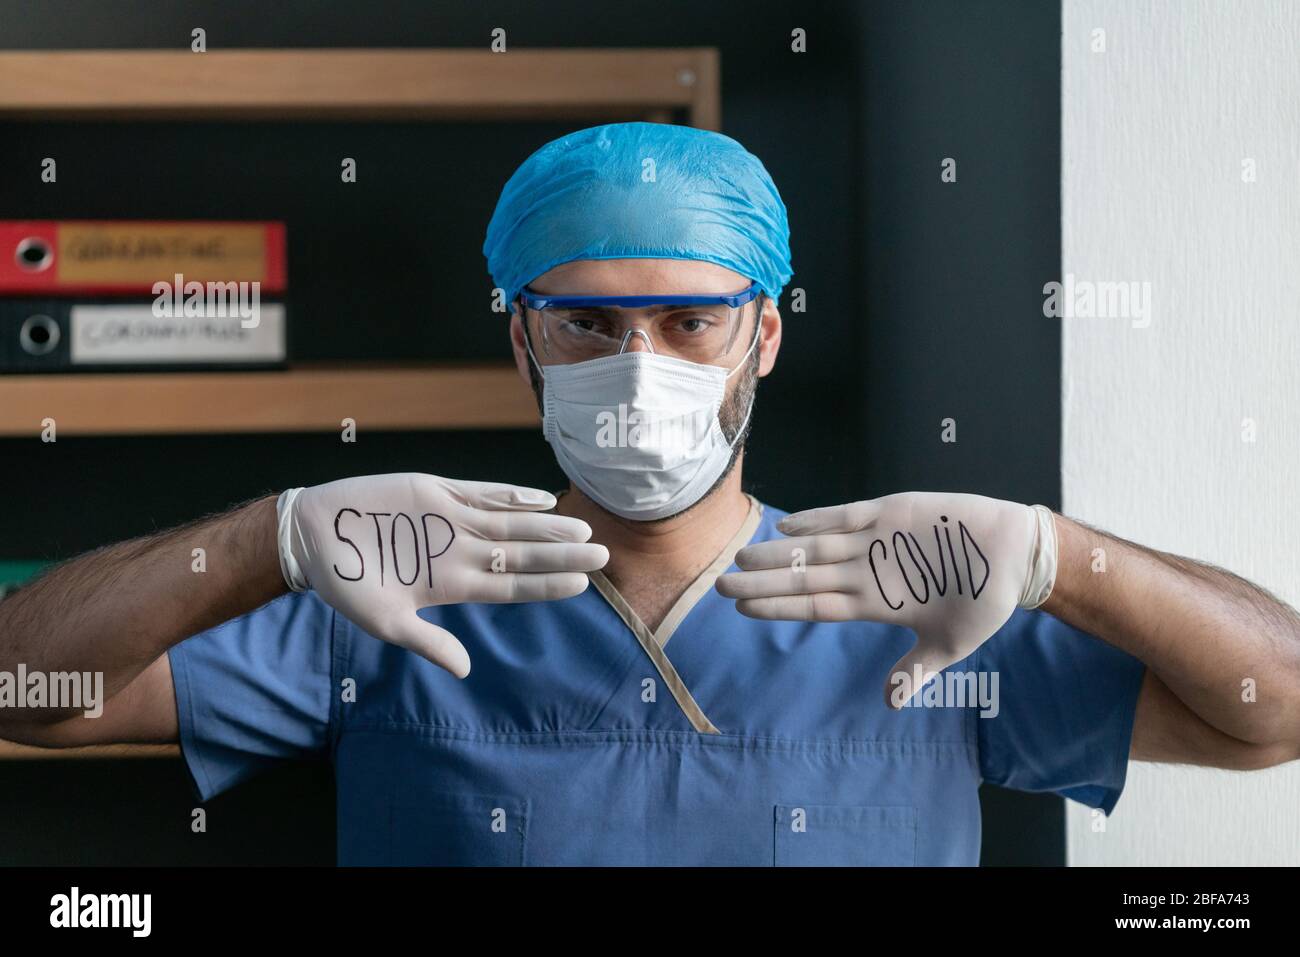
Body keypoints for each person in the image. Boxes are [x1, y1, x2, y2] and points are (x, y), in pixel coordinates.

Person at [2, 123, 1297, 866]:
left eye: (689, 321)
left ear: (767, 335)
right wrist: (265, 539)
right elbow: (23, 690)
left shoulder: (915, 605)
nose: (642, 367)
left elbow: (1274, 713)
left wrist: (1060, 558)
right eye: (588, 324)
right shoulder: (388, 598)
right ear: (521, 337)